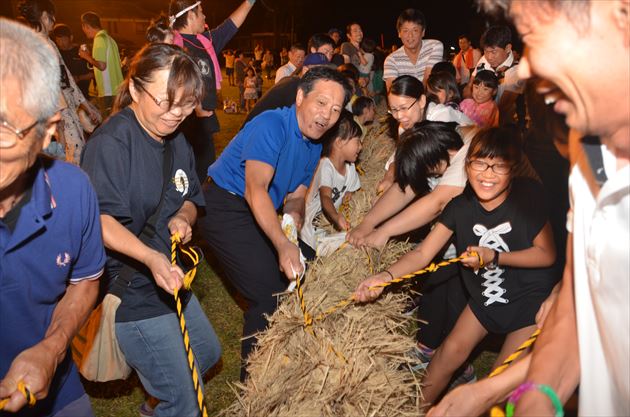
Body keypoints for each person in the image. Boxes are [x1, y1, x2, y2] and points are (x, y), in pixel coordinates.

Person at [479, 1, 628, 416]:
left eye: (548, 36)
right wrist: (535, 398)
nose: (526, 69)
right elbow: (580, 300)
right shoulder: (588, 166)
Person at [355, 127, 557, 406]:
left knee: (497, 382)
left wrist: (494, 257)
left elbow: (546, 255)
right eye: (479, 164)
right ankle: (415, 410)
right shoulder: (460, 207)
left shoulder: (527, 200)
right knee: (446, 355)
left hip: (528, 301)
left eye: (498, 166)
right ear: (466, 165)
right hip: (485, 298)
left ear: (512, 169)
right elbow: (423, 254)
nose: (487, 174)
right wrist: (384, 277)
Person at [81, 43, 221, 417]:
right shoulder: (112, 143)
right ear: (136, 87)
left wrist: (184, 217)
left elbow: (191, 195)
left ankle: (155, 407)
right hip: (131, 287)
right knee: (187, 400)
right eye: (165, 101)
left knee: (207, 354)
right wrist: (150, 257)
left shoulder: (177, 139)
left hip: (168, 276)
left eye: (187, 104)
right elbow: (101, 221)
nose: (177, 114)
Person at [198, 66, 351, 379]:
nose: (326, 116)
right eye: (321, 103)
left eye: (336, 110)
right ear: (299, 97)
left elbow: (296, 195)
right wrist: (281, 245)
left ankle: (292, 348)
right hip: (224, 205)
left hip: (261, 206)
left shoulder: (314, 143)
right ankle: (255, 385)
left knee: (308, 265)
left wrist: (291, 224)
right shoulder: (271, 124)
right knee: (266, 294)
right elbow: (255, 189)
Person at [0, 18, 106, 417]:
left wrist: (52, 347)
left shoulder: (73, 191)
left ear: (48, 132)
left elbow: (84, 282)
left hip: (52, 387)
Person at [169, 0, 256, 183]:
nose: (205, 16)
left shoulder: (205, 42)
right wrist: (195, 107)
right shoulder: (172, 46)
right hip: (183, 125)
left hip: (204, 124)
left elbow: (229, 26)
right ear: (191, 15)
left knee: (203, 175)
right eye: (201, 12)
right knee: (181, 178)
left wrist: (249, 3)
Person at [19, 1, 101, 165]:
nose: (54, 19)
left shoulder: (44, 42)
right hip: (59, 112)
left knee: (74, 154)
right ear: (43, 16)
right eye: (51, 15)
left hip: (64, 109)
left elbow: (66, 77)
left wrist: (85, 105)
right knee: (74, 156)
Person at [299, 111, 362, 259]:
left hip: (326, 228)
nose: (361, 146)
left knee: (355, 240)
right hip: (309, 227)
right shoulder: (325, 166)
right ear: (340, 142)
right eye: (357, 141)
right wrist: (336, 216)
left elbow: (349, 194)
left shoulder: (351, 169)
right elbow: (325, 198)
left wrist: (348, 207)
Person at [464, 25, 524, 126]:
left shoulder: (517, 72)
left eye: (493, 52)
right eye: (485, 51)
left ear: (508, 48)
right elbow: (469, 87)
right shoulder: (484, 58)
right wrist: (469, 109)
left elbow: (502, 108)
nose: (489, 57)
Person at [383, 9, 443, 90]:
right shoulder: (391, 60)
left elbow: (428, 81)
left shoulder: (434, 46)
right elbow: (392, 93)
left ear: (423, 32)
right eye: (405, 31)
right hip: (406, 102)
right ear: (399, 33)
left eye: (415, 30)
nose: (410, 35)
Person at [79, 11, 124, 118]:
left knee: (109, 125)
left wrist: (85, 56)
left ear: (86, 26)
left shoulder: (99, 39)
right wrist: (90, 57)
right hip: (118, 90)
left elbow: (102, 66)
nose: (84, 31)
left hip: (108, 91)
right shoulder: (110, 39)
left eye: (83, 27)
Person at [52, 23, 93, 99]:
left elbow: (93, 74)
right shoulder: (56, 54)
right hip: (66, 98)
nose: (61, 43)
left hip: (84, 96)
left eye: (63, 39)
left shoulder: (82, 52)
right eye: (58, 40)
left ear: (71, 37)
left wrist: (78, 78)